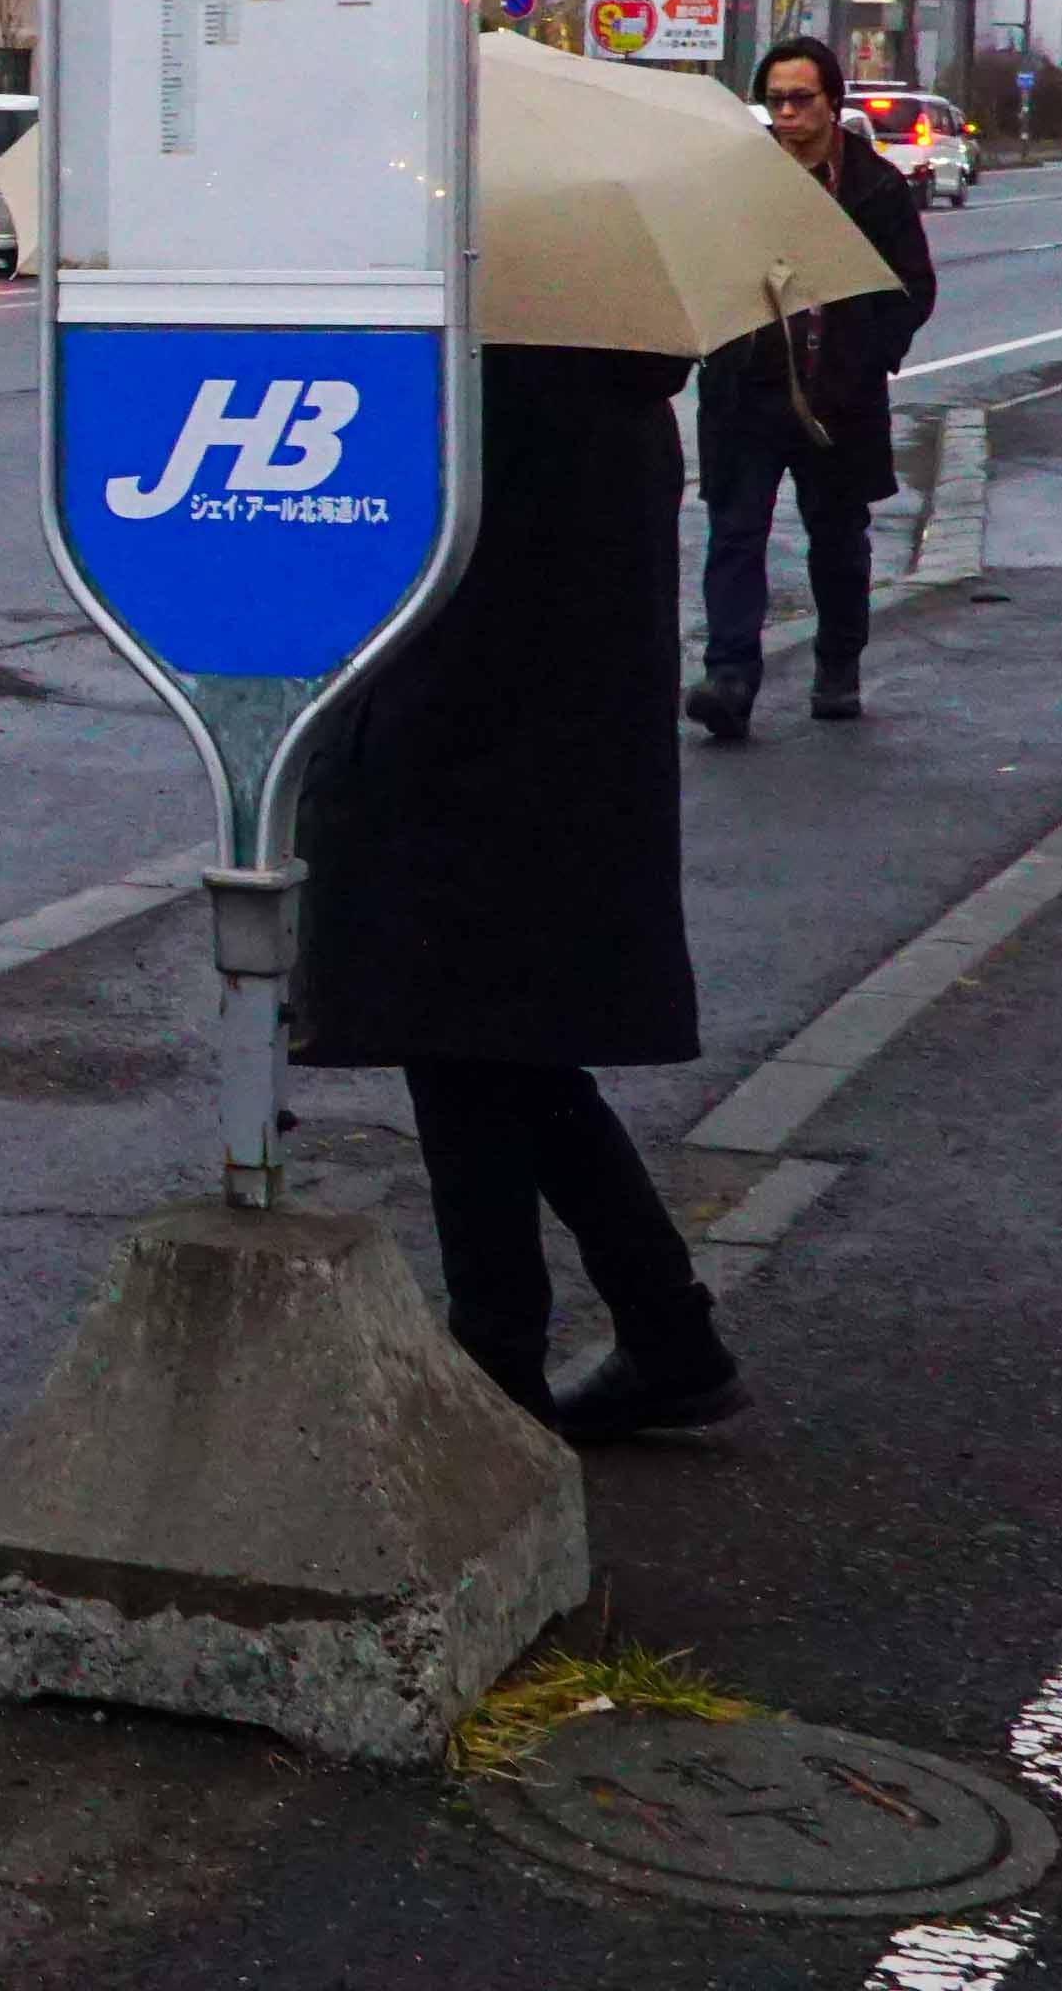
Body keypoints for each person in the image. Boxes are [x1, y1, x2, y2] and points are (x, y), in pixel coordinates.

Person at [295, 344, 740, 1439]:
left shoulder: (490, 387)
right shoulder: (608, 377)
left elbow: (400, 567)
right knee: (512, 1062)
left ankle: (498, 1372)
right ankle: (664, 1334)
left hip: (459, 760)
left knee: (462, 1054)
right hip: (559, 766)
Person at [688, 36, 935, 739]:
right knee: (736, 534)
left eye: (801, 99)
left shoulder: (873, 186)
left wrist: (867, 361)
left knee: (838, 537)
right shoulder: (739, 180)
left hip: (839, 398)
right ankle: (729, 679)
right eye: (775, 101)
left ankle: (837, 668)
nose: (787, 113)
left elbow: (911, 288)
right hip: (748, 391)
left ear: (832, 102)